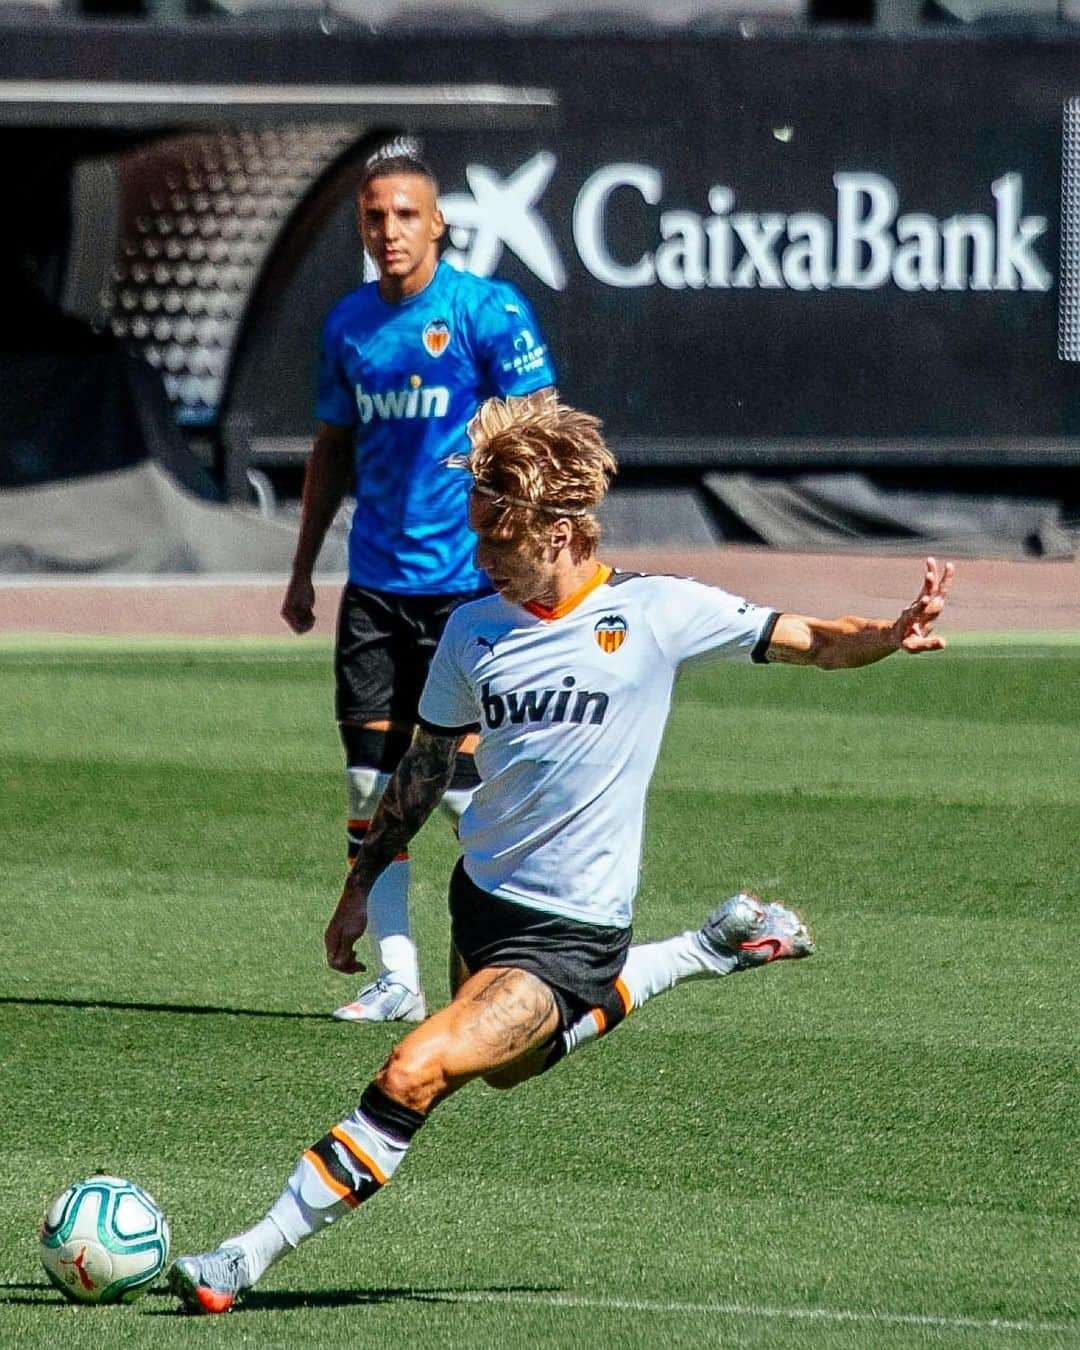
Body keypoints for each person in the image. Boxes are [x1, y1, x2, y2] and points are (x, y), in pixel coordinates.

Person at [169, 394, 952, 1314]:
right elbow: (422, 770)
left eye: (499, 540)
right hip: (482, 902)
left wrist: (889, 636)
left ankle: (244, 1256)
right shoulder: (472, 631)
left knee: (415, 1069)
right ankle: (703, 950)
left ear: (558, 526)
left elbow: (812, 640)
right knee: (504, 1070)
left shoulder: (656, 612)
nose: (483, 559)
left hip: (573, 936)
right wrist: (358, 887)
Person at [281, 150, 556, 1023]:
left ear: (439, 223)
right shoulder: (349, 327)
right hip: (374, 590)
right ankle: (399, 978)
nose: (389, 230)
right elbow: (331, 451)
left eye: (406, 215)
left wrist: (535, 556)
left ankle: (519, 950)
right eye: (374, 217)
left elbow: (544, 431)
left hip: (467, 593)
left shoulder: (487, 311)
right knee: (371, 788)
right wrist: (301, 568)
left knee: (463, 791)